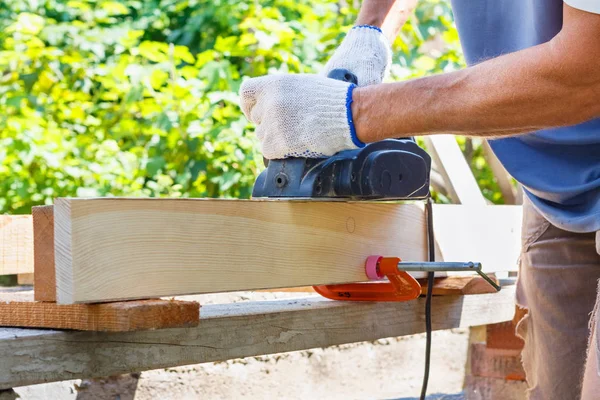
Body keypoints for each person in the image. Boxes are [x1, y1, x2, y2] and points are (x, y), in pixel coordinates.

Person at [239, 1, 600, 398]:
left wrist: (355, 113)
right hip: (552, 181)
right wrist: (370, 31)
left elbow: (586, 73)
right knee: (556, 387)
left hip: (576, 105)